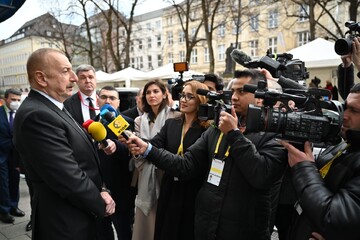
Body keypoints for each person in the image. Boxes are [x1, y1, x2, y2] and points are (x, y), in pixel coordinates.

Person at [127, 69, 287, 240]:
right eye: (232, 91)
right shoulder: (217, 129)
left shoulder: (275, 134)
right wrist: (148, 149)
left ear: (260, 97)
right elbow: (185, 165)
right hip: (207, 226)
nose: (233, 97)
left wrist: (233, 134)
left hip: (244, 230)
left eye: (242, 91)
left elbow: (261, 176)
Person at [13, 48, 115, 240]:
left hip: (77, 216)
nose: (75, 78)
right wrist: (101, 202)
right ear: (42, 78)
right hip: (65, 224)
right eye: (65, 71)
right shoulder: (37, 115)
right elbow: (68, 177)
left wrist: (101, 188)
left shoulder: (53, 105)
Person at [279, 83, 360, 240]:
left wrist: (304, 168)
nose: (345, 115)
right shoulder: (345, 144)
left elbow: (333, 217)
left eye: (354, 110)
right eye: (345, 107)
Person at [151, 81, 211, 240]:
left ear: (200, 100)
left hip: (193, 191)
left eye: (189, 96)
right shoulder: (171, 123)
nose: (183, 100)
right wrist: (134, 141)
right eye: (182, 95)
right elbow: (153, 146)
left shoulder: (207, 129)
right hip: (170, 187)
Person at [131, 79, 181, 240]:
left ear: (165, 94)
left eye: (156, 91)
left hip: (167, 172)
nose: (152, 95)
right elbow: (136, 152)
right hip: (145, 174)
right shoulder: (139, 120)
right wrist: (135, 150)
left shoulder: (176, 116)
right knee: (146, 221)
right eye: (148, 92)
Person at [94, 86, 135, 240]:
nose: (108, 101)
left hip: (121, 190)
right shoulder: (92, 123)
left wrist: (116, 146)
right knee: (102, 231)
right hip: (98, 187)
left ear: (118, 102)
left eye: (112, 98)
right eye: (104, 97)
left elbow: (132, 152)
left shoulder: (127, 123)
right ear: (97, 100)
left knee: (124, 231)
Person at [0, 88, 25, 224]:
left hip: (15, 155)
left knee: (14, 181)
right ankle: (3, 211)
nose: (16, 102)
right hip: (1, 155)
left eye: (18, 100)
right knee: (3, 184)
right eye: (13, 99)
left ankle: (13, 206)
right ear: (5, 99)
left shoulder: (20, 114)